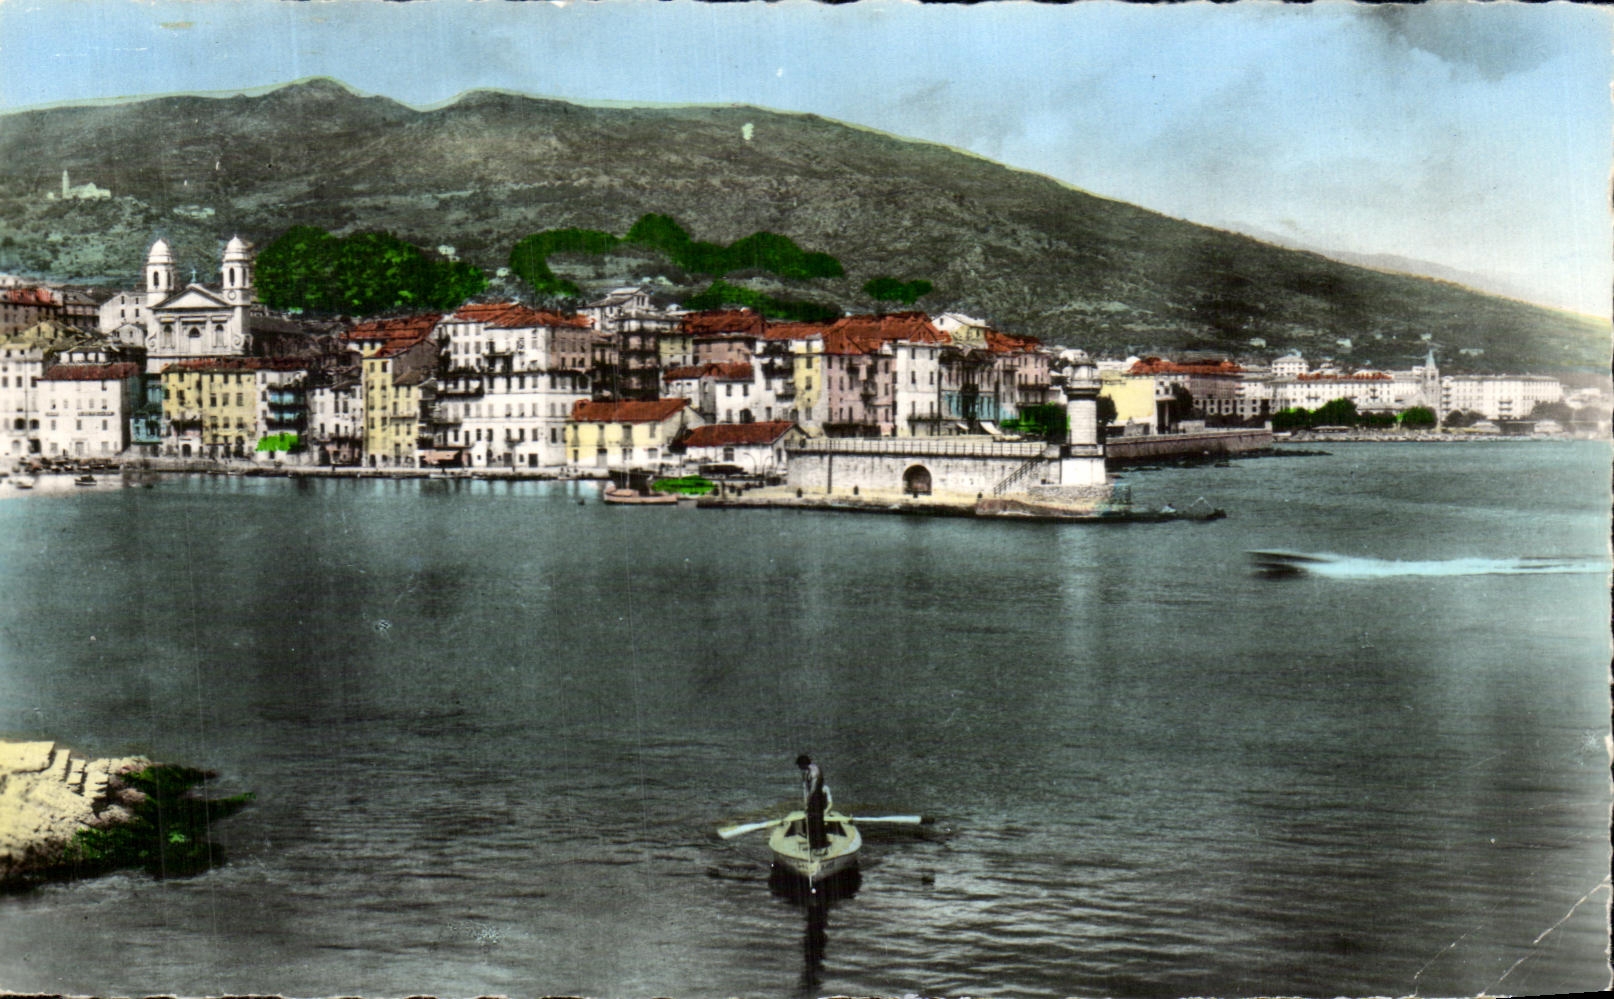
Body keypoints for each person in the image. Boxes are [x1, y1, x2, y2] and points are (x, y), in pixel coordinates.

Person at [796, 754, 829, 851]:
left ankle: (820, 845)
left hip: (817, 798)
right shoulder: (807, 771)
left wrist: (808, 802)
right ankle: (813, 844)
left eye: (800, 765)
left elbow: (813, 789)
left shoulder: (814, 772)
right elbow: (806, 787)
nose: (799, 768)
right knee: (811, 820)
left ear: (803, 764)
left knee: (817, 821)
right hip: (813, 798)